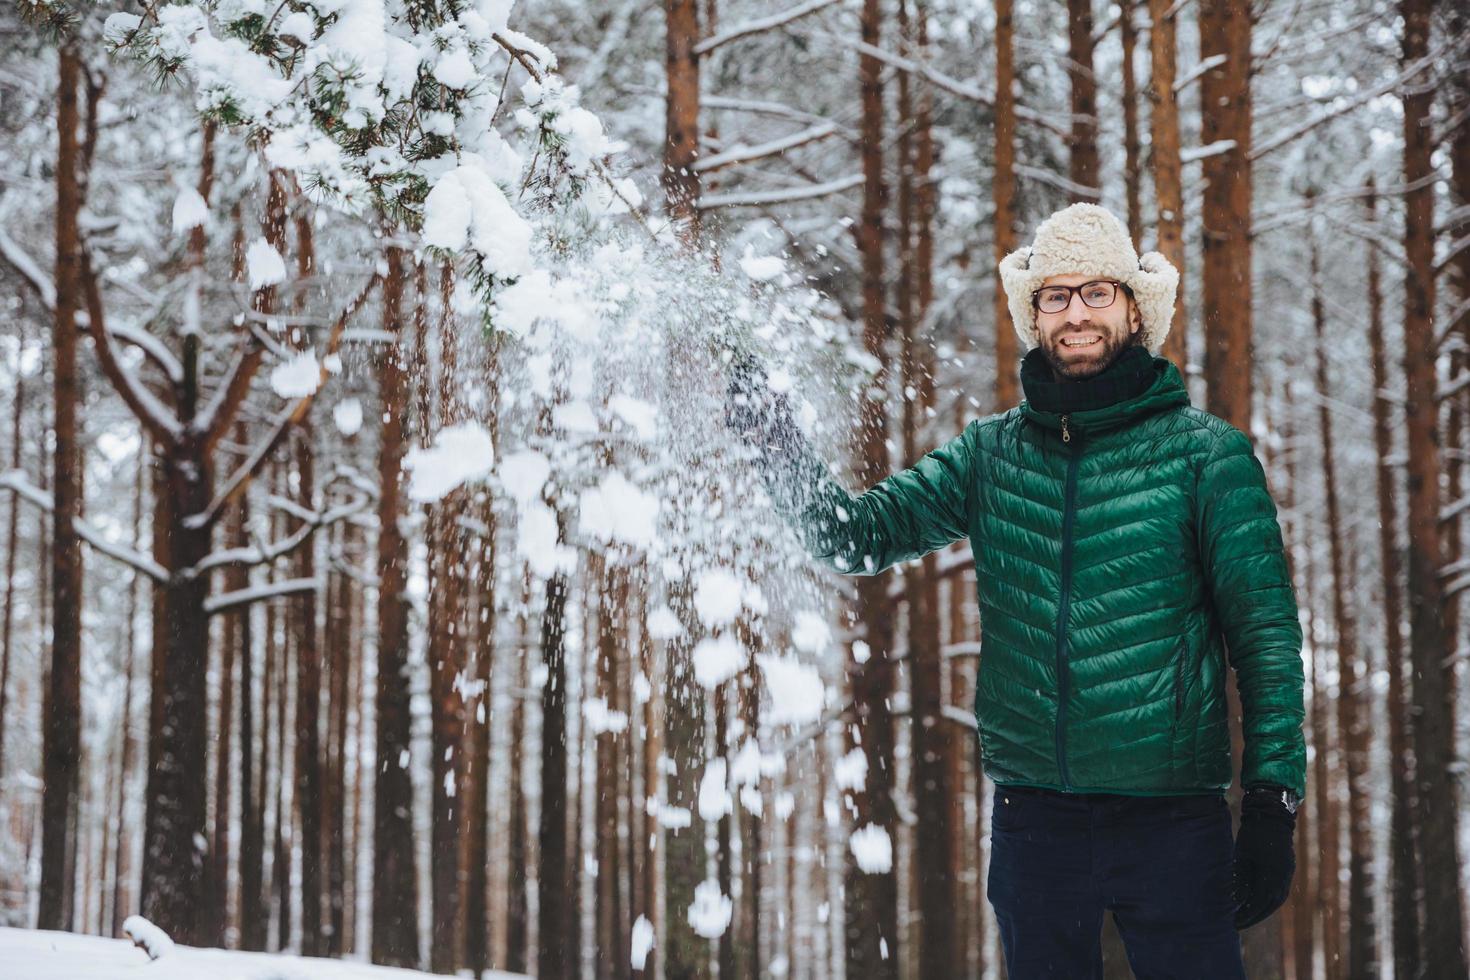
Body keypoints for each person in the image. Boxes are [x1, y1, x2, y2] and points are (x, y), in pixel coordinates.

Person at [724, 202, 1305, 979]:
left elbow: (1265, 638)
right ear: (1035, 316)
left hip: (1171, 819)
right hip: (1037, 820)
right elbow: (852, 537)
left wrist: (1273, 803)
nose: (1077, 314)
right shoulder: (991, 454)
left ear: (1135, 309)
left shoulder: (1207, 458)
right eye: (1056, 296)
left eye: (1097, 293)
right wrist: (774, 439)